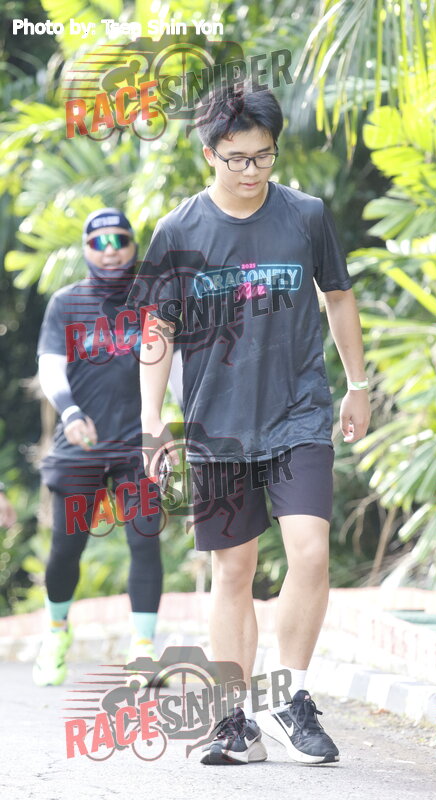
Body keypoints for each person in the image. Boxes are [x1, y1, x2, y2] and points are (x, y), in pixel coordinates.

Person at [133, 85, 371, 765]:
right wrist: (152, 421)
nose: (251, 170)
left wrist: (357, 386)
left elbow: (338, 297)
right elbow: (157, 329)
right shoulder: (179, 231)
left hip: (299, 412)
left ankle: (287, 696)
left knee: (310, 553)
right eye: (236, 158)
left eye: (263, 156)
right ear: (209, 153)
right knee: (233, 569)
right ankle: (235, 722)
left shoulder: (305, 215)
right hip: (218, 424)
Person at [33, 208, 181, 687]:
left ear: (134, 246)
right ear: (85, 249)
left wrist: (177, 427)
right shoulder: (66, 303)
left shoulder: (151, 303)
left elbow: (174, 367)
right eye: (99, 243)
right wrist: (70, 412)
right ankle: (56, 631)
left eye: (119, 240)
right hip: (82, 443)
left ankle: (143, 649)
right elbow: (50, 366)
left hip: (138, 445)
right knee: (66, 548)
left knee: (144, 539)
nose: (110, 250)